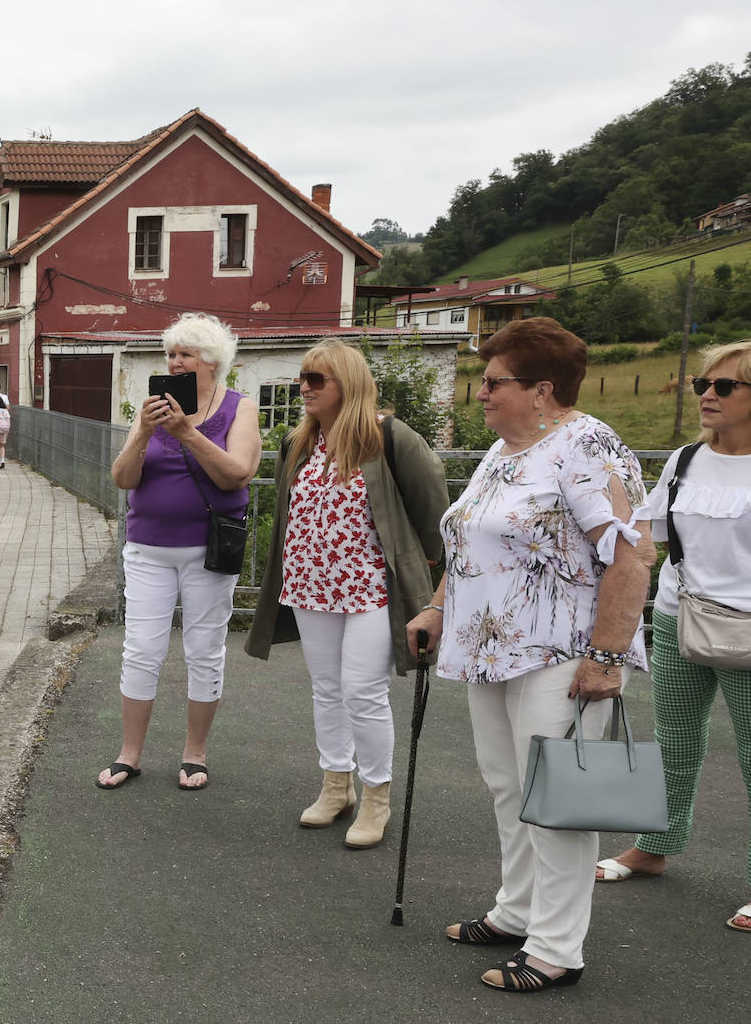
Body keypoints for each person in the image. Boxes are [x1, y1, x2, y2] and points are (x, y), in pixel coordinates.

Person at [405, 317, 654, 993]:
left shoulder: (587, 445)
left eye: (493, 381)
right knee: (509, 787)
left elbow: (633, 555)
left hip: (564, 654)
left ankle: (556, 948)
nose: (479, 393)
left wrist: (606, 656)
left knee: (556, 799)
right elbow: (471, 541)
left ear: (542, 389)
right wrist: (436, 605)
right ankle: (517, 911)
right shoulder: (502, 452)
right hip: (491, 650)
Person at [245, 339, 448, 849]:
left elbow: (432, 499)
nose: (305, 388)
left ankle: (376, 796)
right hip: (310, 585)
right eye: (303, 379)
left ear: (347, 385)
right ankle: (337, 785)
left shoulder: (386, 437)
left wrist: (422, 566)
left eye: (318, 380)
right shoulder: (300, 442)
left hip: (369, 589)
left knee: (364, 691)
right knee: (327, 689)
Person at [595, 340, 751, 935]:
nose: (707, 395)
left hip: (748, 628)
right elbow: (646, 540)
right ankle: (654, 846)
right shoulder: (685, 460)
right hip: (679, 615)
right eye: (702, 386)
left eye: (725, 386)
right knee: (674, 739)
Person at [97, 312, 261, 792]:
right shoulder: (150, 410)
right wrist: (146, 432)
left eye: (185, 354)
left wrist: (187, 431)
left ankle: (195, 753)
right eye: (170, 354)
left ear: (211, 362)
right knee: (142, 650)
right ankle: (130, 754)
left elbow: (237, 474)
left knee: (204, 651)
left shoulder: (239, 407)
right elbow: (123, 479)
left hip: (208, 549)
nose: (174, 361)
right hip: (148, 548)